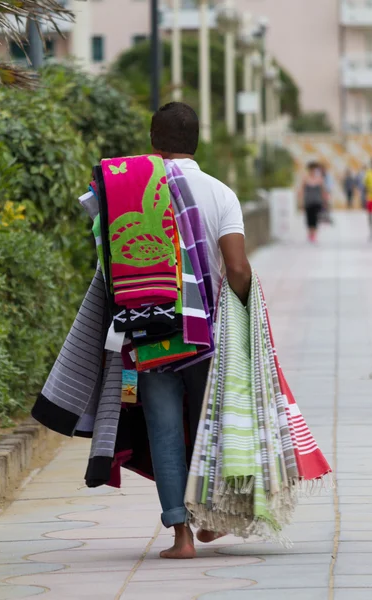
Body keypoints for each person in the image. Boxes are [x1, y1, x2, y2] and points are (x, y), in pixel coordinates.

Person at [139, 102, 252, 559]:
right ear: (197, 141)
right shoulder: (221, 193)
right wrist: (245, 316)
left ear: (153, 142)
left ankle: (181, 537)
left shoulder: (130, 193)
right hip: (206, 334)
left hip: (147, 329)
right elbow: (239, 269)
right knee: (208, 426)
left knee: (164, 429)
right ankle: (210, 522)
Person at [299, 161, 327, 243]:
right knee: (309, 218)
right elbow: (302, 190)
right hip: (308, 201)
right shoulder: (305, 178)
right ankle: (310, 233)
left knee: (315, 218)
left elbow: (323, 191)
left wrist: (325, 201)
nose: (313, 171)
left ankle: (314, 234)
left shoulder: (320, 179)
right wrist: (300, 201)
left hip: (317, 201)